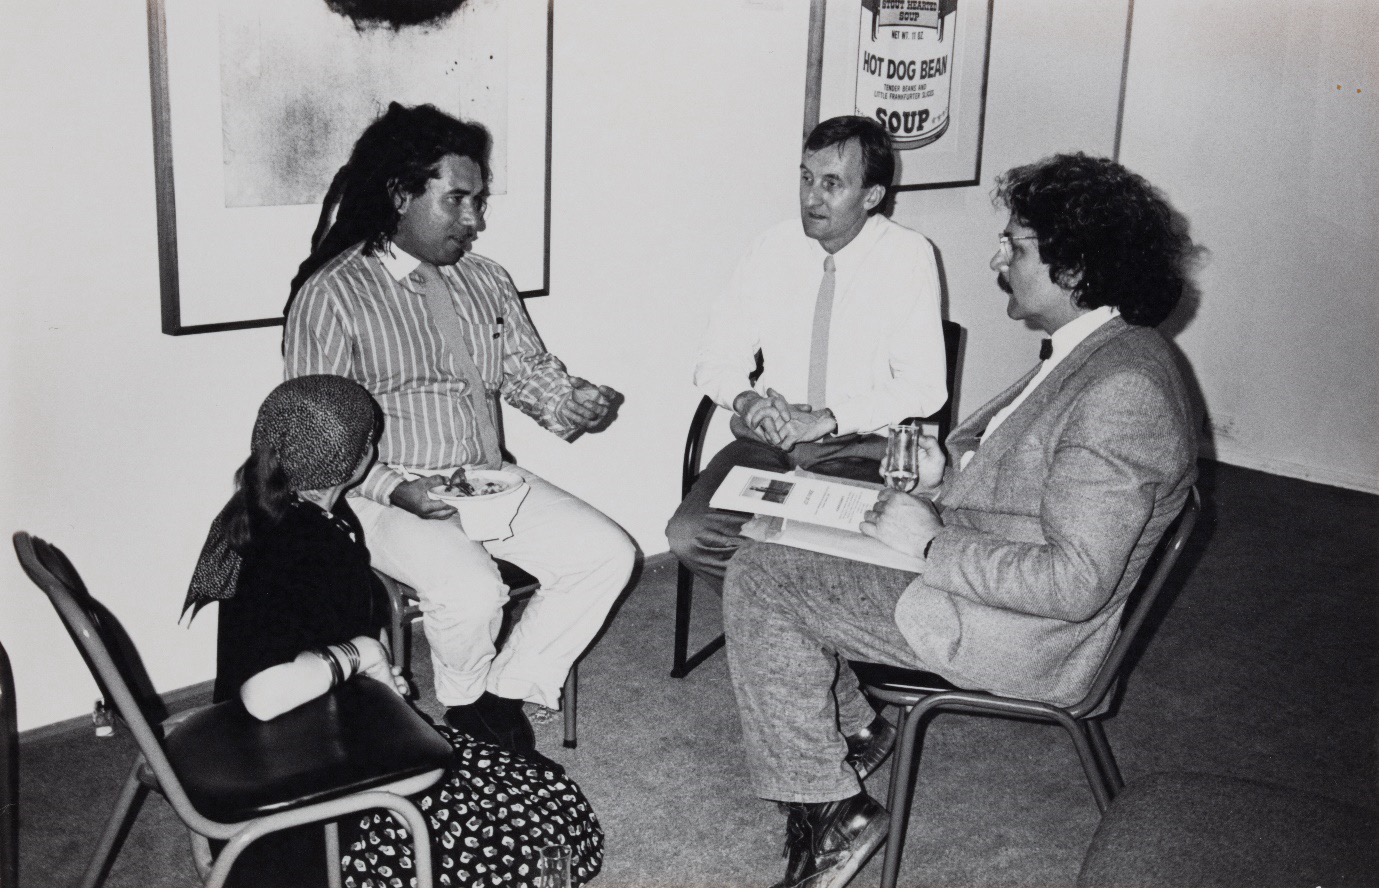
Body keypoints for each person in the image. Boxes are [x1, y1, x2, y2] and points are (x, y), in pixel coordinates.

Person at [722, 153, 1201, 887]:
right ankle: (853, 726)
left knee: (760, 578)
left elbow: (1074, 583)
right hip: (977, 556)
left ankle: (831, 813)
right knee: (774, 536)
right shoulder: (1102, 348)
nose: (997, 257)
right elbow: (1035, 462)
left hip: (1017, 628)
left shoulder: (1122, 389)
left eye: (1015, 243)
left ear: (1074, 269)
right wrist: (952, 469)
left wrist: (933, 540)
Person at [283, 102, 635, 754]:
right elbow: (317, 442)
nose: (474, 221)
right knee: (473, 590)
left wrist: (574, 402)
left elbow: (527, 372)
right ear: (399, 195)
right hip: (384, 496)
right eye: (457, 201)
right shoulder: (333, 295)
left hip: (486, 480)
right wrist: (396, 490)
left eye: (479, 202)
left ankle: (504, 691)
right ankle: (466, 705)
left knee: (607, 554)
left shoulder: (486, 280)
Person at [184, 375, 604, 887]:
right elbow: (264, 694)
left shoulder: (266, 510)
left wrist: (376, 671)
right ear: (360, 459)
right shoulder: (314, 545)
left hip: (284, 738)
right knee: (548, 823)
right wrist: (361, 655)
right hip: (308, 783)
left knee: (512, 783)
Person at [666, 113, 947, 612]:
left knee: (834, 553)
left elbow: (925, 387)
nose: (811, 197)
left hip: (857, 448)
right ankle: (789, 619)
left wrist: (828, 418)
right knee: (690, 534)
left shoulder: (907, 256)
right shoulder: (772, 247)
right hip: (767, 445)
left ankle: (791, 623)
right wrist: (749, 401)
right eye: (806, 177)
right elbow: (715, 358)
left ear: (872, 195)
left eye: (832, 184)